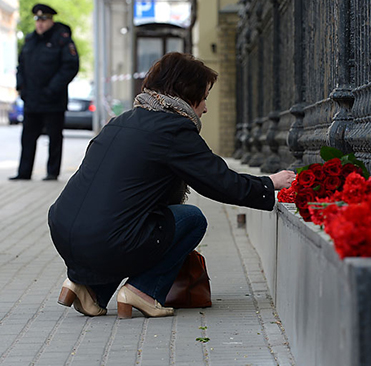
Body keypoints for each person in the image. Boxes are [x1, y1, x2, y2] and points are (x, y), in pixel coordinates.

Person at [48, 52, 296, 318]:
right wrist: (269, 184)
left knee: (126, 229)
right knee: (191, 219)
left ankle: (88, 289)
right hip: (105, 239)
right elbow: (220, 183)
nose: (205, 108)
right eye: (204, 98)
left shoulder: (121, 122)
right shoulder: (173, 129)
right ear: (188, 94)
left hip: (65, 232)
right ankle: (142, 291)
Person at [10, 3, 79, 181]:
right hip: (31, 98)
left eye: (44, 20)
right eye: (37, 20)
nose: (40, 24)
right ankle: (24, 172)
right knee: (27, 138)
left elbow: (70, 66)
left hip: (53, 99)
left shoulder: (62, 39)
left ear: (51, 20)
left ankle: (52, 172)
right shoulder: (30, 40)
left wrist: (52, 89)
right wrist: (21, 88)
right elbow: (21, 67)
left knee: (54, 137)